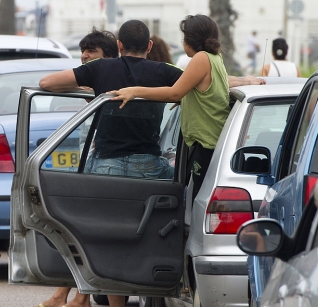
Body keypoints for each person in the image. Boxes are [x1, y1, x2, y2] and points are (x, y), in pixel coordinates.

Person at [35, 20, 186, 307]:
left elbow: (45, 83)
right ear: (149, 47)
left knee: (110, 247)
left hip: (106, 168)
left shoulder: (101, 69)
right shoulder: (163, 72)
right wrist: (247, 80)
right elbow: (207, 84)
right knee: (160, 232)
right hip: (150, 166)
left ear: (118, 46)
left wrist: (91, 87)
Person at [109, 14, 264, 201]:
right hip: (209, 142)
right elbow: (202, 90)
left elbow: (175, 92)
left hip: (207, 144)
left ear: (190, 41)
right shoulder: (214, 58)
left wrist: (135, 91)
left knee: (195, 203)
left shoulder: (201, 59)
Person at [27, 28, 118, 307]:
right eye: (83, 52)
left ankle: (82, 299)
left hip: (107, 165)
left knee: (89, 232)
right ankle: (62, 292)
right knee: (73, 229)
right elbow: (47, 84)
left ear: (109, 56)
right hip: (90, 163)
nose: (85, 57)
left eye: (92, 52)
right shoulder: (94, 83)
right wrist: (84, 88)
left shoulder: (112, 80)